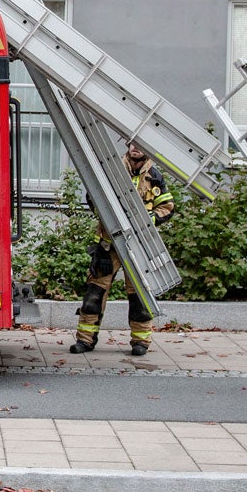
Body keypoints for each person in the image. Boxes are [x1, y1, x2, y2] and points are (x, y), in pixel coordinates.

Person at [70, 141, 174, 357]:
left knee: (139, 295)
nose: (135, 147)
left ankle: (141, 341)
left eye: (140, 144)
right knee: (94, 294)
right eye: (132, 144)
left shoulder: (154, 175)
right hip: (110, 243)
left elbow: (167, 206)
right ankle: (85, 340)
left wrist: (149, 220)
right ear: (127, 146)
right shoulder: (112, 168)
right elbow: (93, 197)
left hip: (140, 246)